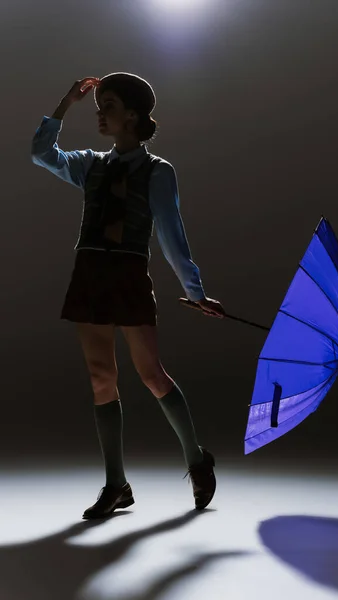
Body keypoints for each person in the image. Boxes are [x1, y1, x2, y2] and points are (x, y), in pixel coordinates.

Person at [31, 73, 225, 519]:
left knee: (152, 374)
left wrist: (196, 293)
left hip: (128, 275)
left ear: (133, 115)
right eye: (99, 105)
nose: (100, 112)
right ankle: (116, 485)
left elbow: (173, 238)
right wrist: (65, 102)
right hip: (89, 274)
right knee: (101, 379)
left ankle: (197, 460)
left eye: (109, 105)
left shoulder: (158, 172)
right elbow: (42, 153)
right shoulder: (90, 164)